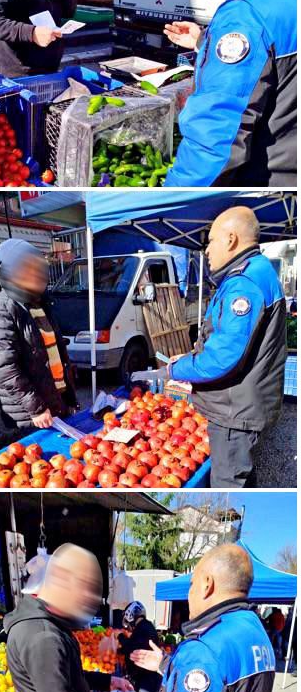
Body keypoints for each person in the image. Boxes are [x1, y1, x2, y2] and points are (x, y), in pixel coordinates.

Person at [132, 207, 286, 487]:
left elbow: (224, 357)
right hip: (241, 404)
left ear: (231, 239)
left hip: (234, 410)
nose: (206, 251)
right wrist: (193, 355)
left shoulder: (245, 284)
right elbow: (229, 342)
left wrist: (175, 369)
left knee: (228, 482)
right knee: (242, 474)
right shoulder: (255, 273)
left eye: (210, 242)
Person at [163, 0, 296, 186]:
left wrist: (169, 197)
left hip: (265, 183)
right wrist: (204, 43)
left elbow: (215, 140)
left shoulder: (252, 12)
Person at [131, 545, 275, 692]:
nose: (189, 594)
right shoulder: (255, 632)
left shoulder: (206, 647)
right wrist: (168, 665)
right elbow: (223, 687)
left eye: (191, 584)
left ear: (207, 584)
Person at [4, 544, 131, 692]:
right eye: (83, 591)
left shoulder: (43, 624)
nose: (86, 601)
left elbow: (66, 676)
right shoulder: (44, 637)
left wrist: (108, 681)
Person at [0, 239, 78, 446]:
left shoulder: (40, 304)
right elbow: (5, 369)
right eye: (29, 271)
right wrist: (36, 408)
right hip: (30, 416)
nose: (37, 277)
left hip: (57, 400)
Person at [117, 602, 162, 692]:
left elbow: (132, 648)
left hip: (148, 679)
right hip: (145, 677)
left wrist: (120, 637)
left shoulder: (143, 629)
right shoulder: (145, 627)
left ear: (131, 616)